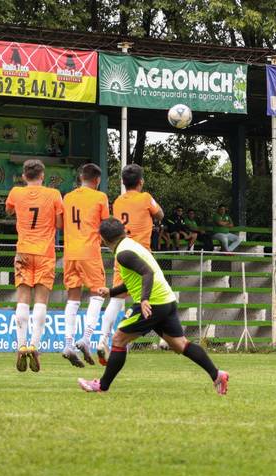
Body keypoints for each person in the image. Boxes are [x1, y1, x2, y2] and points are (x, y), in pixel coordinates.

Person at [78, 217, 229, 394]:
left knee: (119, 339)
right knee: (180, 344)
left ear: (103, 239)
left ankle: (101, 386)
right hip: (166, 300)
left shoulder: (123, 253)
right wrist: (111, 292)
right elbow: (136, 279)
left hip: (153, 303)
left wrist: (144, 300)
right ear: (123, 231)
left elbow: (146, 273)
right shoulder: (130, 245)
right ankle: (217, 374)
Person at [96, 164, 164, 365]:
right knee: (157, 295)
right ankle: (164, 338)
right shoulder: (145, 198)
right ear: (141, 182)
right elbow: (160, 214)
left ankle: (102, 340)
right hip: (142, 255)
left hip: (122, 252)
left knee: (116, 297)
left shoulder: (117, 201)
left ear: (123, 183)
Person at [5, 159, 64, 373]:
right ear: (43, 176)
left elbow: (9, 210)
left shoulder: (16, 193)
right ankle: (34, 346)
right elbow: (59, 224)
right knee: (41, 302)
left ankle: (20, 345)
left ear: (23, 176)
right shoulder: (54, 194)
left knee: (22, 299)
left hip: (23, 251)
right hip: (45, 252)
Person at [61, 163, 109, 368]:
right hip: (90, 251)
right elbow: (106, 227)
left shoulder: (68, 197)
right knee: (98, 294)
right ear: (97, 180)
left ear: (81, 177)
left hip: (70, 252)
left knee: (72, 298)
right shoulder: (100, 198)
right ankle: (86, 338)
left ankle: (68, 344)